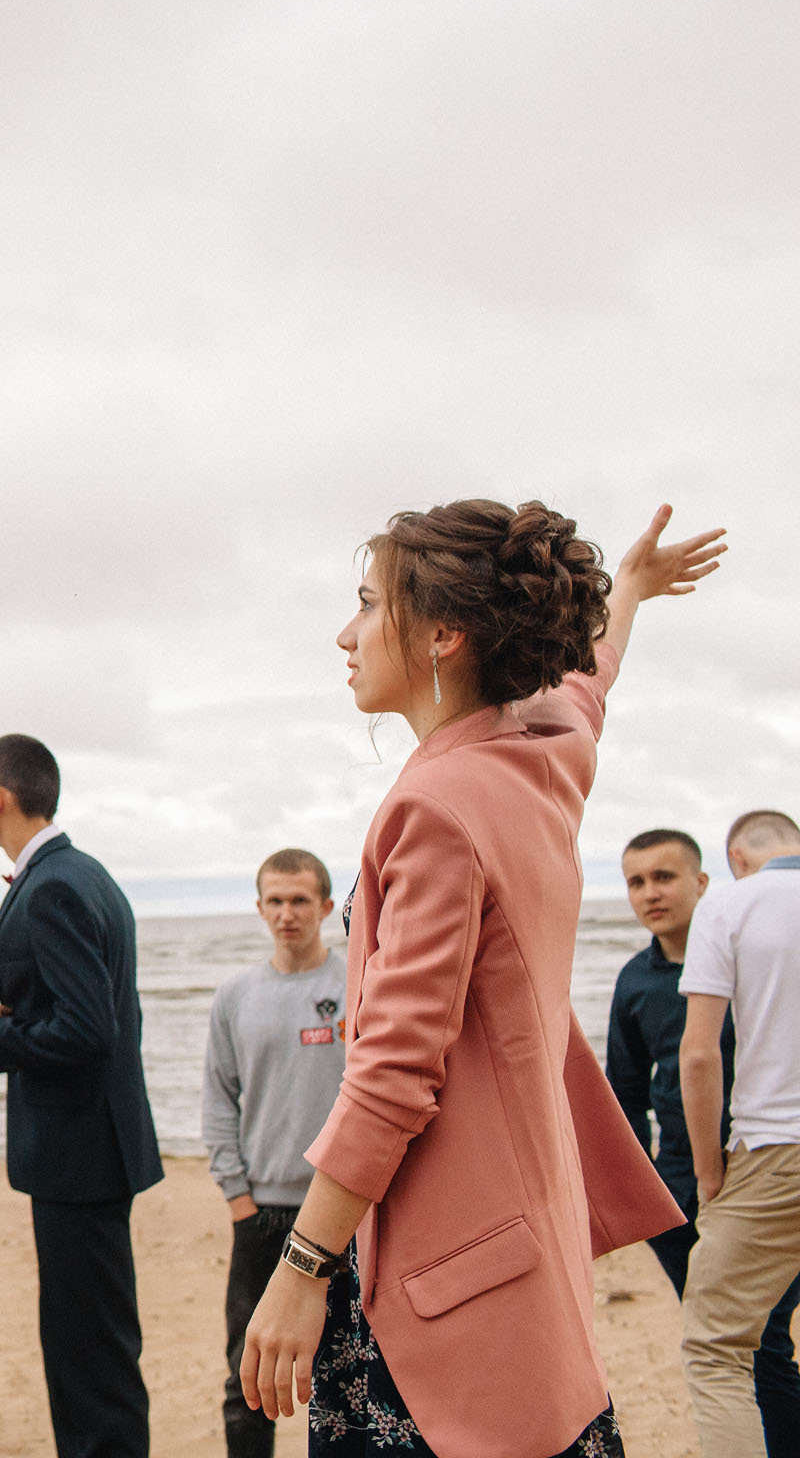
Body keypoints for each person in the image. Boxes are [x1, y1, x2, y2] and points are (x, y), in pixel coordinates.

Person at [241, 500, 720, 1458]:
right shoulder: (542, 748)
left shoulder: (437, 805)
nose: (347, 632)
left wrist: (299, 1267)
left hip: (446, 1282)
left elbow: (394, 1071)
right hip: (527, 1246)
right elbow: (589, 679)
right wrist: (628, 591)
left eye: (370, 605)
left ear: (444, 636)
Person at [0, 734, 163, 1458]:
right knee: (94, 1348)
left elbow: (87, 1031)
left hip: (79, 1157)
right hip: (95, 1152)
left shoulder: (52, 884)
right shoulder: (85, 874)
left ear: (0, 796)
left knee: (88, 1358)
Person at [610, 828, 800, 1454]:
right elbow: (626, 1091)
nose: (649, 894)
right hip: (681, 1185)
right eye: (636, 882)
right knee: (723, 1335)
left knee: (757, 1342)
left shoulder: (754, 944)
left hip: (754, 1171)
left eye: (663, 877)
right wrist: (642, 1193)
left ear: (704, 882)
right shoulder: (636, 980)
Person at [201, 848, 347, 1458]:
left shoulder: (356, 985)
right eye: (276, 901)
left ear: (327, 906)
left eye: (301, 900)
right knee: (251, 1376)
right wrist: (237, 1197)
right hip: (261, 1213)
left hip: (345, 1213)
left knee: (348, 1376)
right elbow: (218, 1100)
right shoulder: (235, 996)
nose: (288, 913)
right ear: (260, 908)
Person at [681, 809, 800, 1458]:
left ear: (736, 856)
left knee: (717, 1347)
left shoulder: (731, 904)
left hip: (777, 1147)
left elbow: (699, 1054)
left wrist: (709, 1174)